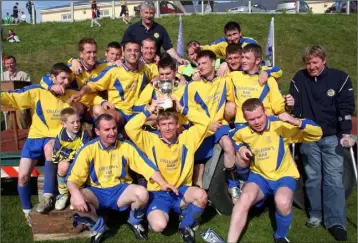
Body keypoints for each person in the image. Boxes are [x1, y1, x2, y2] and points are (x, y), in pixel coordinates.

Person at [0, 63, 94, 227]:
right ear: (52, 77)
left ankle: (48, 196)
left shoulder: (72, 95)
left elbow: (90, 101)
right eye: (62, 78)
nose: (66, 82)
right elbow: (12, 97)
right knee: (22, 176)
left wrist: (81, 106)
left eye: (68, 79)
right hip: (34, 138)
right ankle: (27, 211)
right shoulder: (38, 91)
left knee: (51, 147)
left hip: (54, 139)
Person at [67, 113, 176, 242]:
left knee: (141, 193)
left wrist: (163, 183)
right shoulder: (88, 150)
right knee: (75, 199)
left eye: (114, 128)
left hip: (120, 191)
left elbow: (147, 167)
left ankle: (134, 221)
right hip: (97, 192)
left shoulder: (125, 145)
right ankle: (99, 227)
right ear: (97, 131)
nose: (112, 132)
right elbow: (72, 180)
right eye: (107, 129)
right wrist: (77, 195)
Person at [228, 98, 323, 243]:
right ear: (246, 119)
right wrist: (240, 148)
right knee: (243, 200)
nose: (257, 122)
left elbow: (317, 133)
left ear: (265, 112)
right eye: (251, 119)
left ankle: (280, 236)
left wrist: (295, 121)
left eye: (259, 116)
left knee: (283, 202)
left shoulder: (280, 125)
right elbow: (233, 137)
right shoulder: (243, 131)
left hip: (283, 176)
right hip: (259, 176)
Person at [289, 44, 356, 241]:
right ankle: (316, 214)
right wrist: (290, 105)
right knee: (312, 177)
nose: (311, 66)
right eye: (308, 63)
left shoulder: (340, 78)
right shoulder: (299, 79)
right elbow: (296, 109)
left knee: (333, 179)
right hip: (309, 137)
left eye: (315, 62)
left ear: (323, 60)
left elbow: (346, 107)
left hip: (331, 137)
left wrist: (346, 133)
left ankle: (335, 221)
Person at [125, 96, 209, 242]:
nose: (168, 127)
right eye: (163, 124)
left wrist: (182, 109)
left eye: (171, 123)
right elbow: (129, 128)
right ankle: (154, 215)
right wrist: (148, 110)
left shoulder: (188, 138)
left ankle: (185, 226)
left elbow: (206, 121)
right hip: (158, 193)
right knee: (159, 226)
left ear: (177, 125)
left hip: (181, 190)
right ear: (157, 126)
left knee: (201, 196)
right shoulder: (149, 139)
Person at [180, 50, 240, 204]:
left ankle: (233, 186)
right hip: (202, 129)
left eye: (204, 63)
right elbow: (188, 112)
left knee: (228, 145)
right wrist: (207, 124)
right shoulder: (192, 86)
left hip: (220, 125)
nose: (200, 66)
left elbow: (231, 102)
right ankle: (197, 205)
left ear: (214, 63)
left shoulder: (224, 81)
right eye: (198, 64)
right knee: (198, 169)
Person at [68, 41, 158, 126]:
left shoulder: (145, 68)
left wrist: (156, 79)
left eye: (136, 50)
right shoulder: (113, 70)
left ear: (140, 52)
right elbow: (92, 85)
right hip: (119, 110)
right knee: (109, 118)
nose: (133, 53)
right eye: (129, 50)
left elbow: (157, 76)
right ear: (123, 52)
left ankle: (128, 133)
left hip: (138, 110)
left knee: (158, 117)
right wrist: (80, 93)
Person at [121, 1, 188, 64]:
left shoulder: (160, 29)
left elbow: (168, 48)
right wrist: (121, 59)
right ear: (141, 13)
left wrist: (178, 59)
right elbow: (123, 47)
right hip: (137, 65)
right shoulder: (132, 29)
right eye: (146, 13)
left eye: (151, 13)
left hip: (155, 64)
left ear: (154, 13)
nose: (149, 16)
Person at [52, 107, 90, 210]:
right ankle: (63, 195)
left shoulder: (84, 134)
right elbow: (56, 155)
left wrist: (72, 155)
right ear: (63, 124)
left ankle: (77, 194)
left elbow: (85, 151)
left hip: (80, 162)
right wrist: (70, 156)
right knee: (63, 166)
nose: (76, 124)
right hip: (67, 162)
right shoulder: (60, 137)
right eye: (72, 122)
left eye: (78, 121)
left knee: (82, 166)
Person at [2, 55, 31, 129]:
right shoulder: (2, 76)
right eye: (7, 63)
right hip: (8, 103)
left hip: (21, 102)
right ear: (5, 65)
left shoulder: (24, 75)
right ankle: (11, 137)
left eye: (11, 63)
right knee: (9, 126)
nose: (9, 65)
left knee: (21, 119)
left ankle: (24, 135)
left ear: (15, 63)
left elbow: (29, 88)